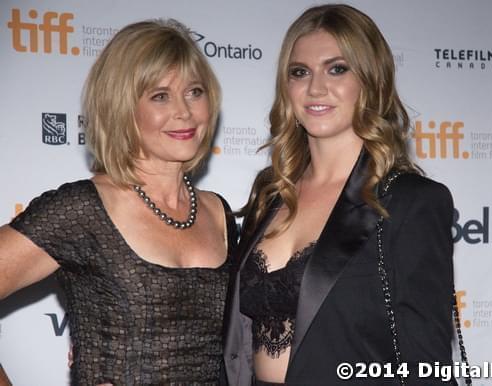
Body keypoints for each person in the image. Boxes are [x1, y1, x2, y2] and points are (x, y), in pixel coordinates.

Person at [223, 4, 461, 385]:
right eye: (300, 72)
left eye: (337, 69)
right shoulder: (270, 193)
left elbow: (427, 364)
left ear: (370, 79)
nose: (316, 88)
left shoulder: (411, 202)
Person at [0, 19, 237, 385]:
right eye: (160, 96)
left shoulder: (219, 213)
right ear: (123, 107)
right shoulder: (82, 209)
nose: (185, 111)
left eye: (195, 92)